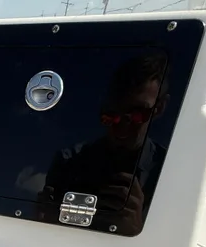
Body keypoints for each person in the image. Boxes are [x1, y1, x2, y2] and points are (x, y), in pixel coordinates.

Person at [42, 54, 170, 235]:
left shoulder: (170, 174)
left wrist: (136, 228)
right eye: (112, 115)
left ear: (159, 108)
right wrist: (43, 215)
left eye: (137, 114)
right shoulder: (68, 162)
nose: (122, 125)